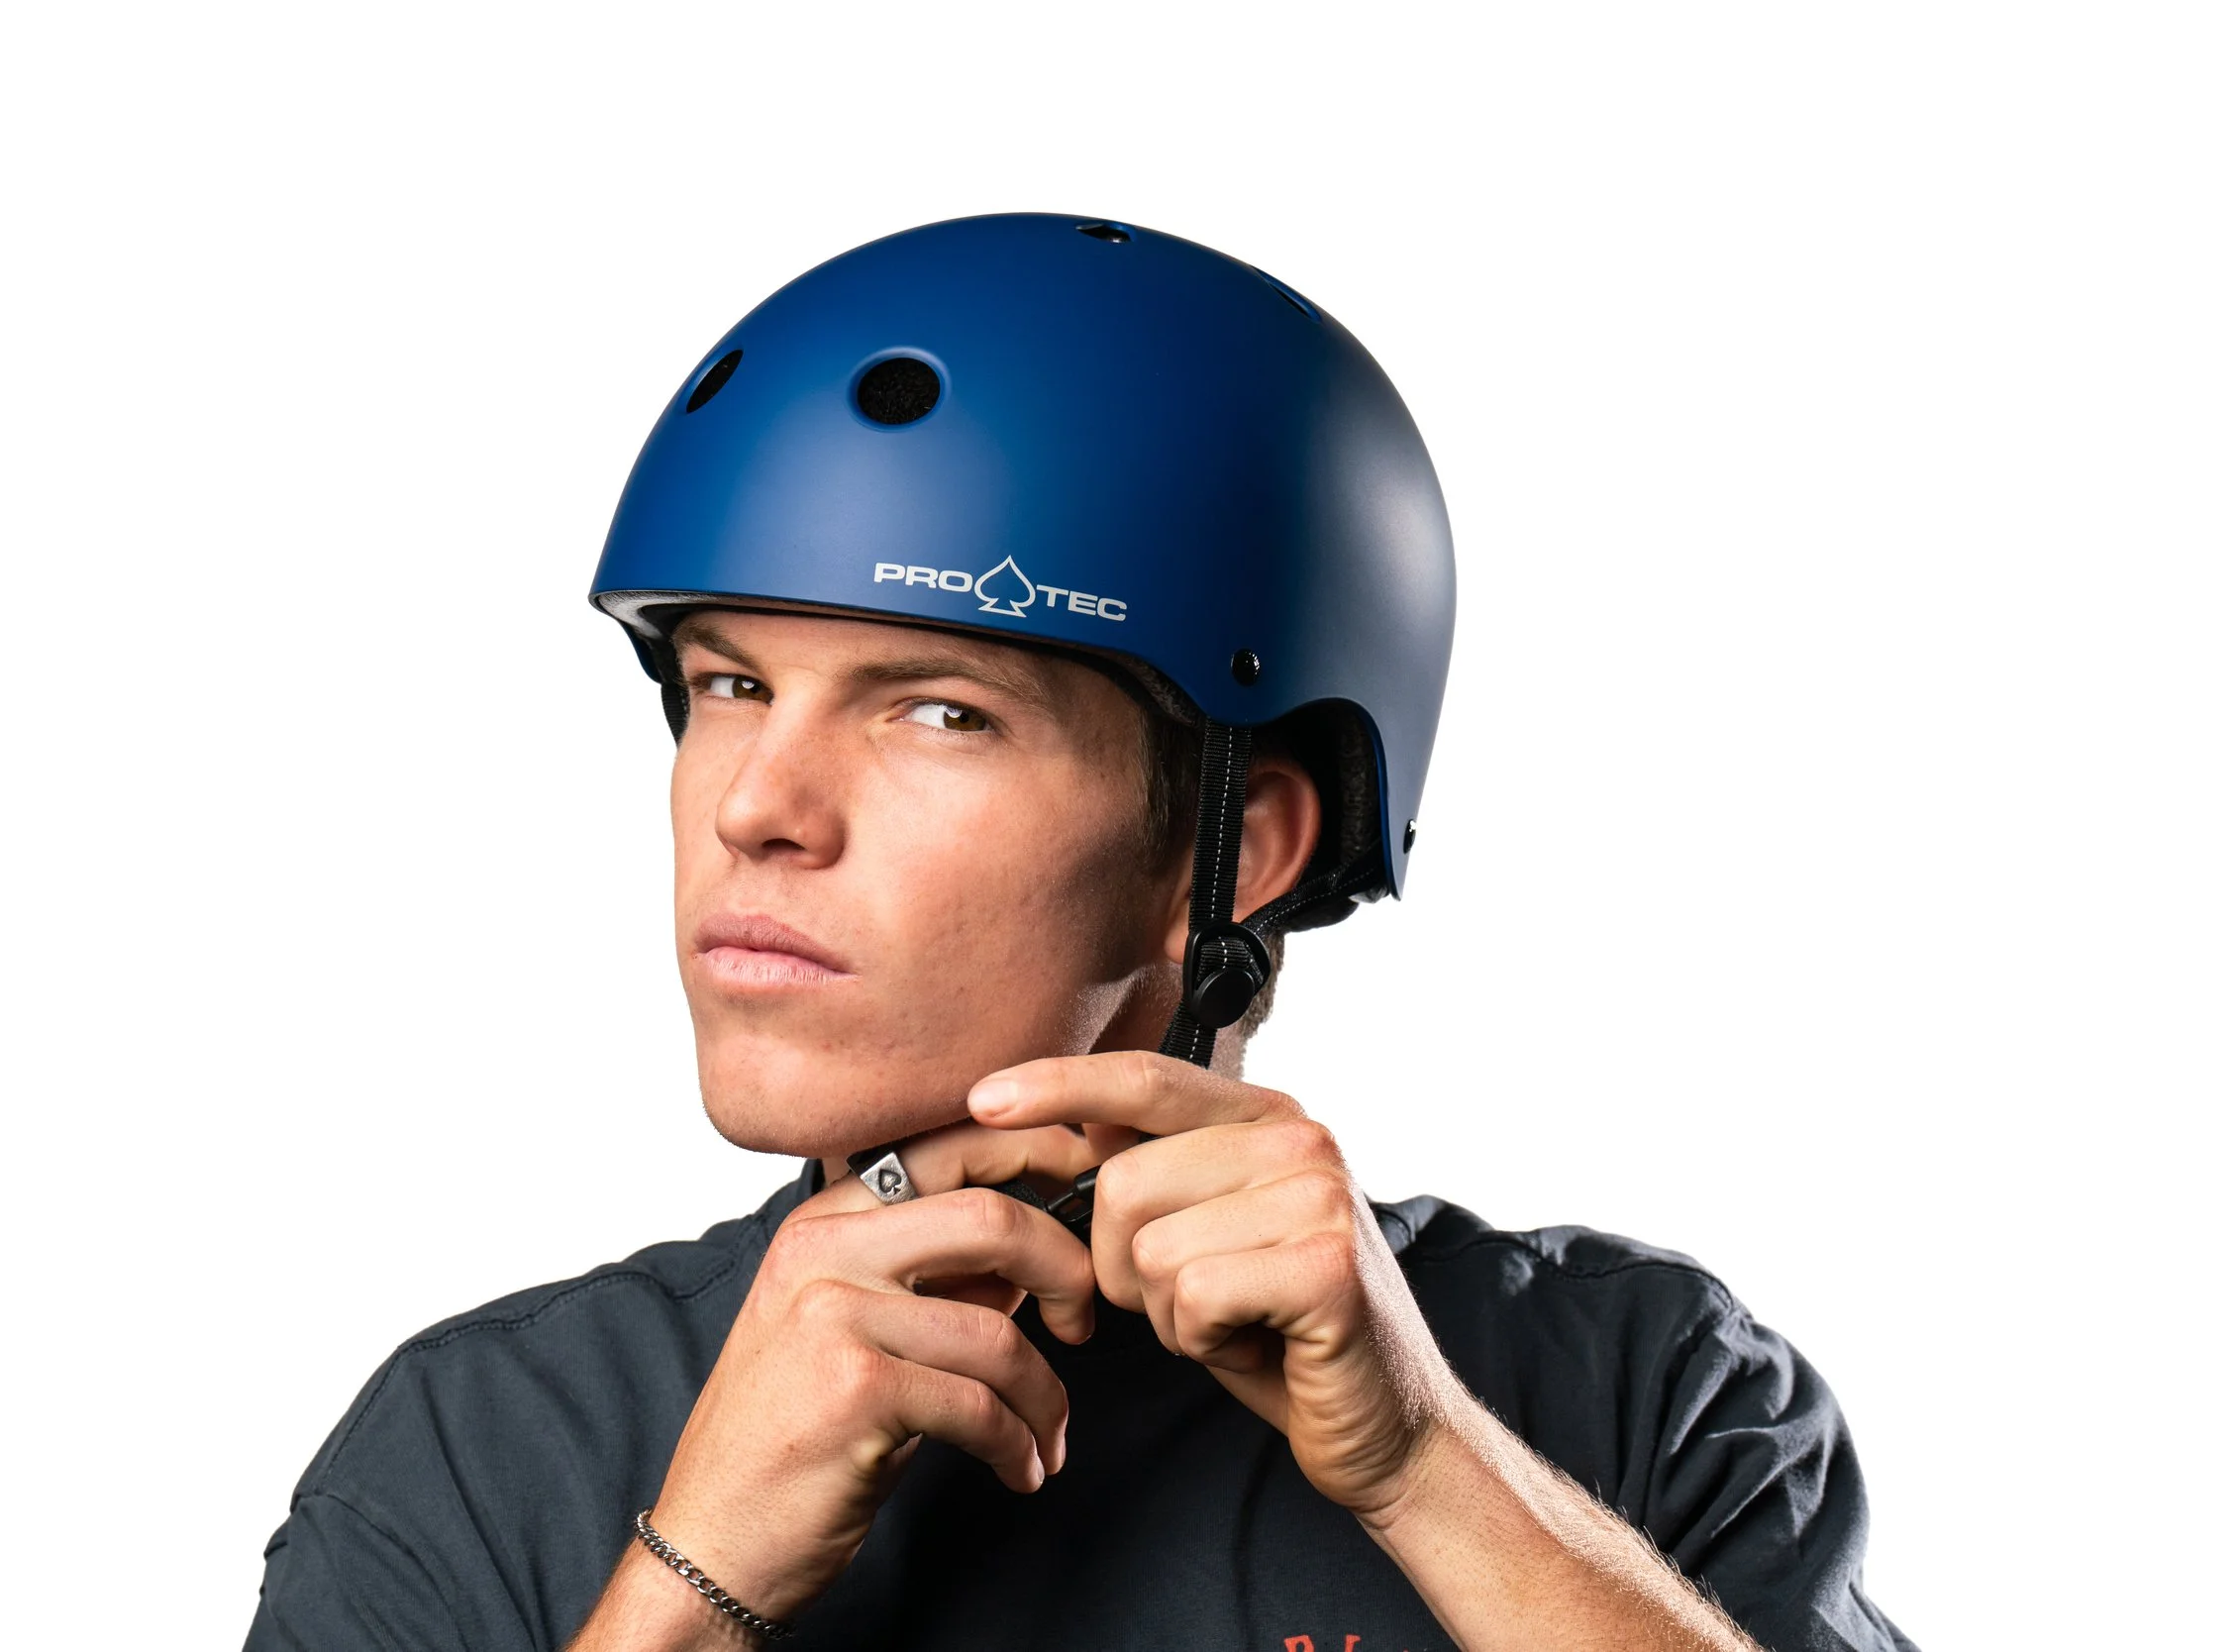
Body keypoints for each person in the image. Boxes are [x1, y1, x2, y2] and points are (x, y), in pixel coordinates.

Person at [244, 213, 1915, 1652]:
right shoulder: (481, 1448)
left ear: (1238, 851)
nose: (757, 802)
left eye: (938, 713)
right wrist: (692, 1585)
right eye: (728, 685)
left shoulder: (1641, 1391)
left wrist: (1428, 1472)